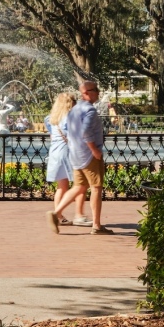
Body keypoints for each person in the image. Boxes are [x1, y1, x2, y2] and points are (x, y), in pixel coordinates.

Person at [47, 81, 113, 235]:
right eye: (96, 90)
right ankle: (96, 225)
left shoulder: (74, 110)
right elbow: (85, 132)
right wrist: (94, 150)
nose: (98, 92)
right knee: (96, 188)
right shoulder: (90, 110)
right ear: (87, 93)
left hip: (75, 155)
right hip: (89, 156)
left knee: (79, 186)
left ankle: (56, 213)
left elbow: (70, 132)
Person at [44, 93, 89, 226]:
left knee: (61, 187)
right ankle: (79, 215)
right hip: (67, 152)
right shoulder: (70, 118)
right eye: (74, 101)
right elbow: (75, 136)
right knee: (80, 184)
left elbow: (52, 134)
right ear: (70, 103)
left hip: (55, 153)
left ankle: (58, 216)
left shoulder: (51, 118)